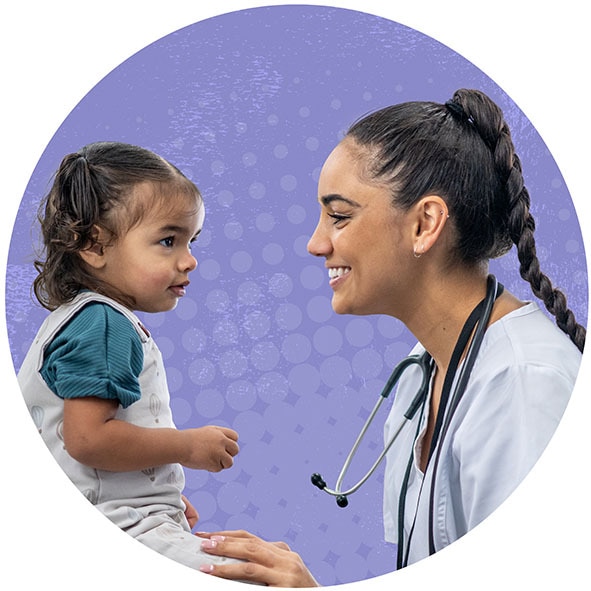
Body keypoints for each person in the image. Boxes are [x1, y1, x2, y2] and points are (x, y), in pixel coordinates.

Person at [195, 88, 585, 586]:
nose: (316, 244)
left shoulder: (526, 385)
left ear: (425, 224)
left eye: (339, 215)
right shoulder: (421, 375)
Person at [17, 141, 245, 573]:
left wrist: (154, 488)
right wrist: (187, 447)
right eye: (168, 240)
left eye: (191, 241)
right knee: (252, 574)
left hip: (122, 515)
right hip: (122, 527)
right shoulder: (104, 325)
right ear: (94, 246)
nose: (190, 260)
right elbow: (87, 440)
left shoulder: (81, 319)